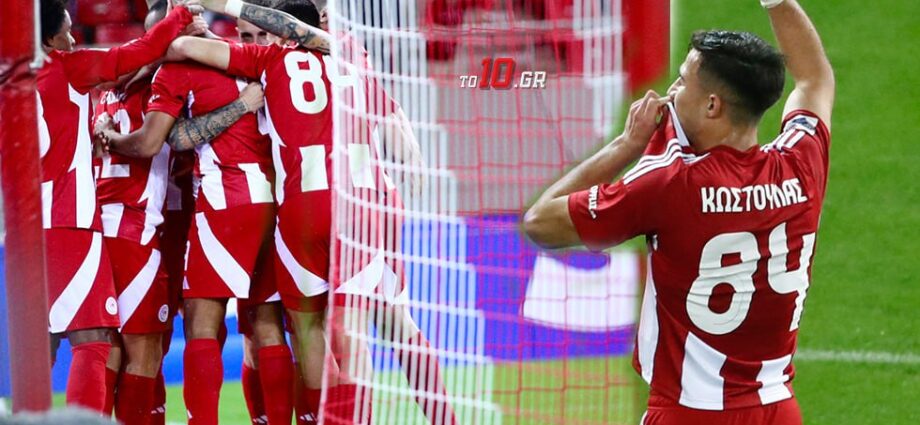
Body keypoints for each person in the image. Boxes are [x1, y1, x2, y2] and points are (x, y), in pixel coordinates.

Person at [524, 0, 834, 424]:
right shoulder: (801, 164)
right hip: (777, 411)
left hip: (688, 413)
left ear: (712, 106)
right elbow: (815, 77)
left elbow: (540, 223)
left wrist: (627, 146)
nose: (671, 92)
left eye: (682, 81)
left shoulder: (669, 184)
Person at [37, 0, 198, 413]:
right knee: (95, 341)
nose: (73, 41)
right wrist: (181, 14)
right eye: (67, 33)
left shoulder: (14, 78)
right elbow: (136, 53)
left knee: (46, 341)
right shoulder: (67, 69)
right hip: (76, 219)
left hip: (30, 223)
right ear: (50, 39)